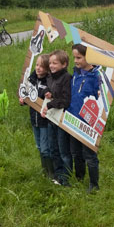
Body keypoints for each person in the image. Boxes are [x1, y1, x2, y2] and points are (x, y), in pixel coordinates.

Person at [68, 44, 102, 192]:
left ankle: (94, 184)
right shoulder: (76, 74)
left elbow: (100, 100)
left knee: (89, 154)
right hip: (73, 119)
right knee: (75, 152)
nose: (75, 60)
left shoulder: (96, 77)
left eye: (79, 57)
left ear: (90, 58)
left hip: (88, 123)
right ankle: (79, 177)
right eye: (74, 57)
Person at [41, 50, 72, 186]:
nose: (52, 66)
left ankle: (66, 178)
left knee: (63, 150)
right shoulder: (50, 76)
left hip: (61, 119)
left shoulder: (66, 78)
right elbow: (46, 88)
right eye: (50, 63)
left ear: (64, 64)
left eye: (55, 63)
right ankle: (58, 175)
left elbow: (65, 100)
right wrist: (46, 92)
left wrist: (50, 104)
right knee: (53, 148)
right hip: (51, 118)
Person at [20, 54, 53, 178]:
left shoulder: (49, 82)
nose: (38, 68)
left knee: (45, 148)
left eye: (42, 66)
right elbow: (28, 96)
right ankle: (44, 171)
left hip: (44, 120)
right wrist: (23, 100)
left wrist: (49, 94)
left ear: (47, 69)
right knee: (39, 146)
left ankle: (51, 173)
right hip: (34, 120)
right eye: (37, 65)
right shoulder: (31, 79)